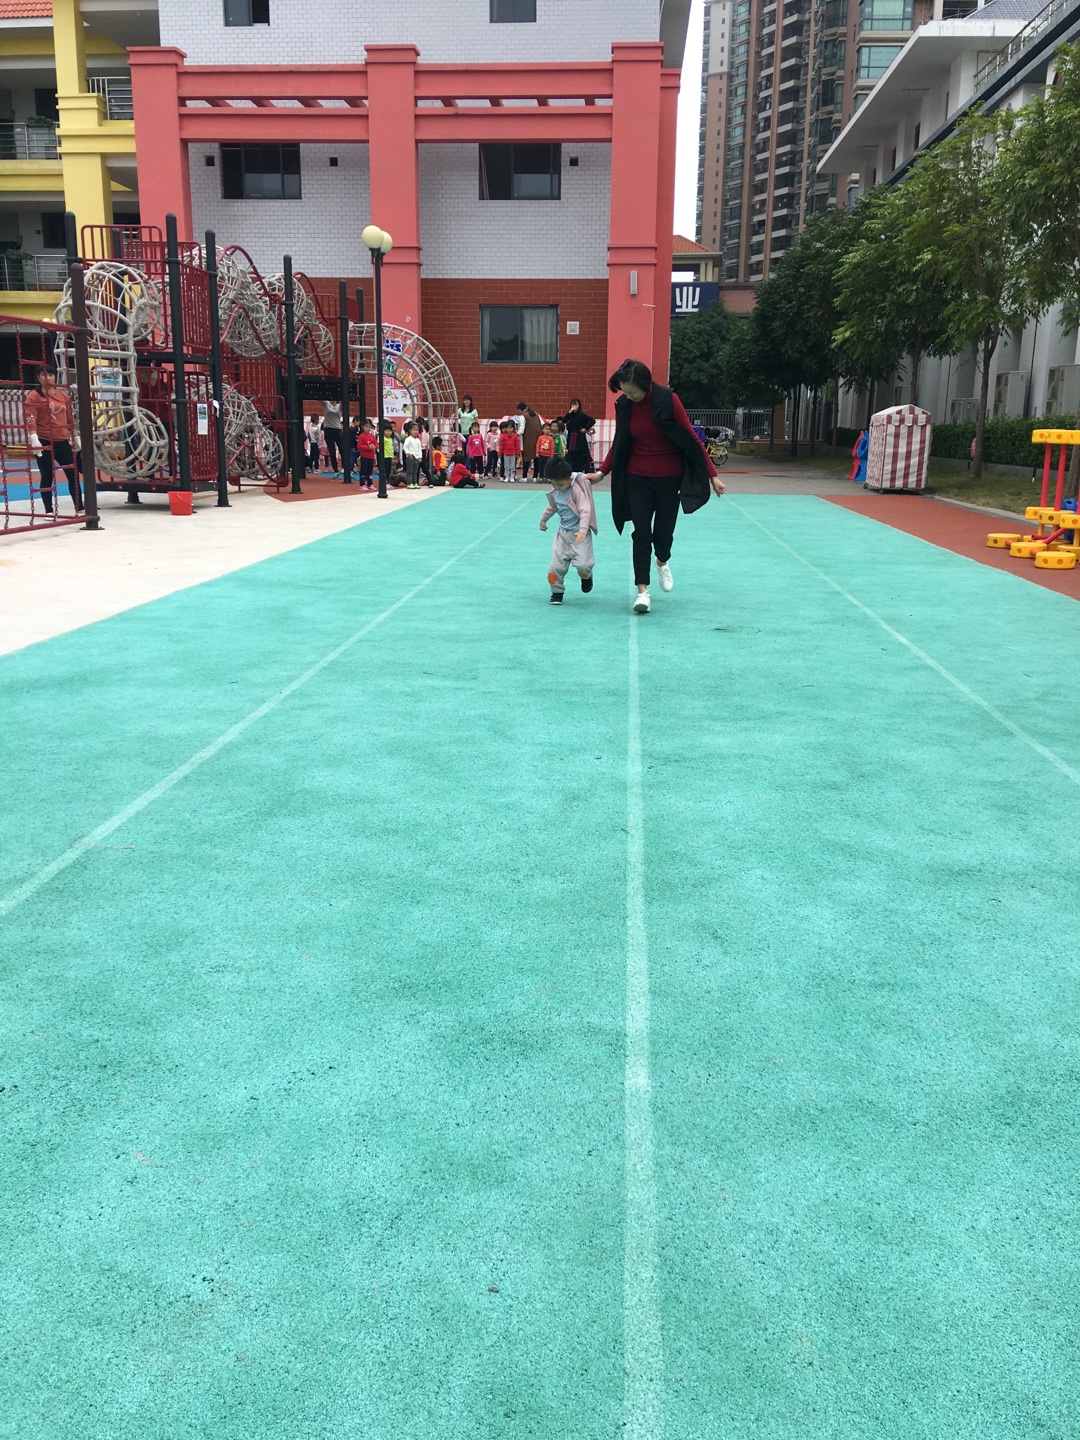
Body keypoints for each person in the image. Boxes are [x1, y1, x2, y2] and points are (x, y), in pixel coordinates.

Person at [596, 358, 723, 615]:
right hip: (637, 478)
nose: (628, 396)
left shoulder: (668, 400)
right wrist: (602, 471)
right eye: (625, 392)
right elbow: (620, 441)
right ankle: (642, 592)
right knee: (641, 532)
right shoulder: (625, 406)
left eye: (632, 391)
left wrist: (713, 475)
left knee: (663, 535)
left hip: (669, 478)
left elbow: (691, 438)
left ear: (646, 385)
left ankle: (662, 560)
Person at [539, 458, 596, 606]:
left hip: (580, 535)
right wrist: (543, 520)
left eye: (560, 484)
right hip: (562, 534)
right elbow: (552, 507)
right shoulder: (556, 492)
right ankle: (557, 592)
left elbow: (585, 510)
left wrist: (583, 530)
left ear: (569, 479)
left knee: (583, 565)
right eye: (553, 484)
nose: (557, 487)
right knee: (555, 567)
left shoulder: (576, 491)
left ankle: (586, 576)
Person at [25, 365, 82, 514]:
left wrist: (75, 436)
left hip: (62, 440)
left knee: (73, 474)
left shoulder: (62, 396)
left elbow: (69, 419)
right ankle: (48, 510)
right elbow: (31, 417)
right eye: (44, 375)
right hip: (44, 440)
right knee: (47, 475)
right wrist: (34, 437)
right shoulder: (34, 396)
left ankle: (79, 507)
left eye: (50, 375)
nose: (48, 378)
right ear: (38, 378)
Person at [559, 398, 594, 471]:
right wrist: (569, 412)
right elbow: (563, 420)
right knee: (571, 456)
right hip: (571, 437)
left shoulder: (582, 415)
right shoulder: (570, 415)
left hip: (579, 437)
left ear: (579, 405)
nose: (574, 406)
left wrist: (586, 428)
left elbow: (592, 421)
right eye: (572, 404)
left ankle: (579, 470)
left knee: (579, 457)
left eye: (576, 405)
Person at [517, 401, 543, 478]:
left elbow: (521, 430)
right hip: (538, 438)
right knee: (536, 458)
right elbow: (542, 424)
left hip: (528, 439)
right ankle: (535, 477)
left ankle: (524, 477)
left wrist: (516, 434)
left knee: (526, 458)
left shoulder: (523, 416)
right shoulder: (537, 414)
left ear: (520, 409)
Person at [323, 399, 345, 478]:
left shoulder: (340, 406)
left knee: (342, 450)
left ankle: (345, 468)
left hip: (337, 429)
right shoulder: (326, 403)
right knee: (332, 451)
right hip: (328, 429)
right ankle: (335, 470)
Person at [355, 418, 377, 491]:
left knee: (370, 471)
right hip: (364, 456)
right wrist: (368, 447)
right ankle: (362, 484)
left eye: (369, 427)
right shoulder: (361, 436)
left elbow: (376, 444)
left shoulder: (372, 436)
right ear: (363, 427)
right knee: (363, 470)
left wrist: (374, 447)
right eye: (366, 427)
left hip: (371, 457)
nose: (368, 428)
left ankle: (370, 484)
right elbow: (359, 446)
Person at [402, 420, 423, 487]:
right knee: (409, 471)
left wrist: (420, 457)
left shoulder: (418, 440)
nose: (416, 432)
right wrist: (408, 453)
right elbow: (405, 447)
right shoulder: (408, 439)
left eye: (417, 430)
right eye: (414, 430)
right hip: (410, 457)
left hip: (416, 457)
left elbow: (419, 449)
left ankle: (415, 482)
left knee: (415, 471)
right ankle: (409, 483)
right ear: (410, 431)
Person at [378, 420, 396, 492]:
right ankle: (384, 482)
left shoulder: (391, 439)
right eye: (387, 431)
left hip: (389, 456)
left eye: (390, 431)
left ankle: (387, 482)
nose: (388, 432)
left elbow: (391, 448)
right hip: (384, 457)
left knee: (388, 470)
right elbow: (379, 447)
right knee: (384, 470)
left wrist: (392, 456)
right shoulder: (382, 438)